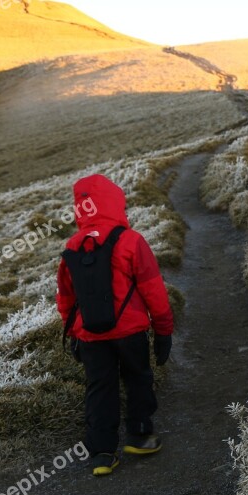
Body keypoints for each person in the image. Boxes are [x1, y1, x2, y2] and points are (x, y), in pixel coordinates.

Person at [57, 174, 174, 476]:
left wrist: (74, 334)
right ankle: (139, 435)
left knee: (99, 388)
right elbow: (154, 290)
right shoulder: (131, 241)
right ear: (115, 202)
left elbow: (66, 300)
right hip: (130, 331)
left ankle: (102, 454)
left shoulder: (72, 245)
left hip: (90, 336)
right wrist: (163, 331)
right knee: (138, 378)